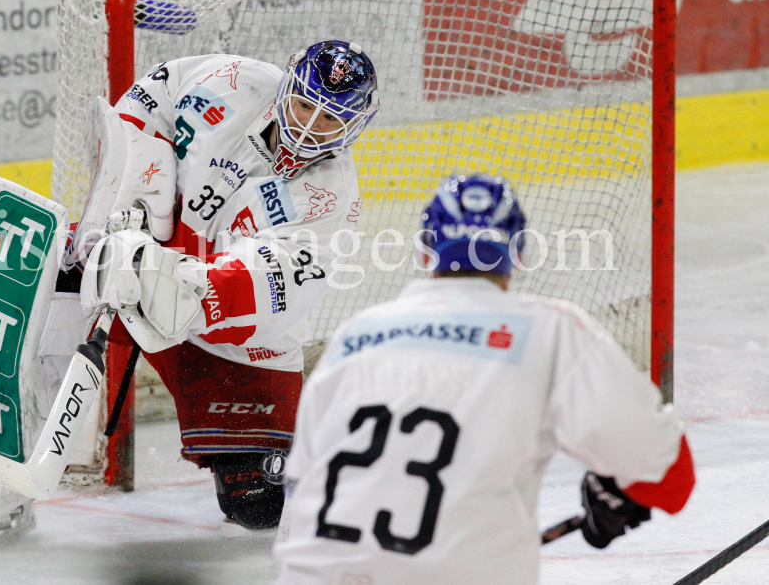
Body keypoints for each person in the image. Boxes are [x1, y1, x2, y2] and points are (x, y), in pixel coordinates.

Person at [273, 173, 695, 583]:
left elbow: (301, 487)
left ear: (425, 253)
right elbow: (673, 478)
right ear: (518, 255)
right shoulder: (550, 330)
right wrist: (619, 493)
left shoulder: (354, 335)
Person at [68, 41, 379, 530]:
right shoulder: (232, 80)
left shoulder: (329, 201)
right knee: (58, 280)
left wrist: (166, 279)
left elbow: (257, 293)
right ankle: (12, 424)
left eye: (329, 120)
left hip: (226, 340)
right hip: (143, 252)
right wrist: (134, 208)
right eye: (302, 105)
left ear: (355, 126)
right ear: (286, 89)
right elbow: (151, 102)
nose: (307, 127)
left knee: (256, 504)